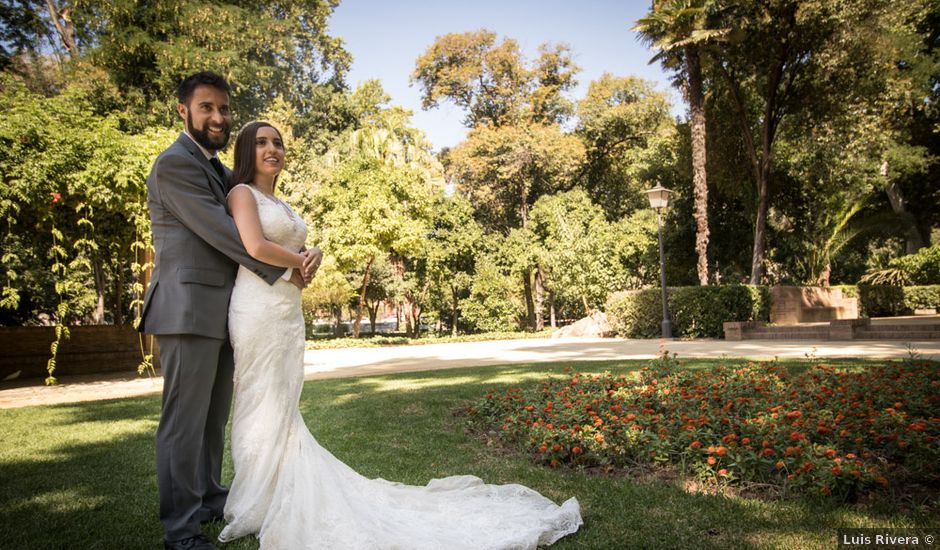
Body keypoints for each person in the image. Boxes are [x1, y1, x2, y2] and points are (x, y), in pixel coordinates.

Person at [218, 120, 583, 549]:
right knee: (258, 397)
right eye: (261, 143)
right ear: (246, 151)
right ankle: (255, 498)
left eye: (277, 142)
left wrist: (309, 257)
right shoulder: (242, 194)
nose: (272, 149)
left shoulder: (281, 201)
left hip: (287, 309)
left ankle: (277, 489)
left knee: (283, 400)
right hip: (256, 308)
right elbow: (255, 247)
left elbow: (288, 258)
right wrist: (300, 261)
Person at [137, 72, 321, 550]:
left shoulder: (220, 171)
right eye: (206, 108)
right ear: (184, 111)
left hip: (225, 310)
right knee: (183, 420)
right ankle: (181, 530)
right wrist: (289, 270)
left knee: (213, 416)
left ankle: (210, 498)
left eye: (222, 109)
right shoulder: (175, 165)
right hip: (187, 308)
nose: (217, 117)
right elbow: (229, 236)